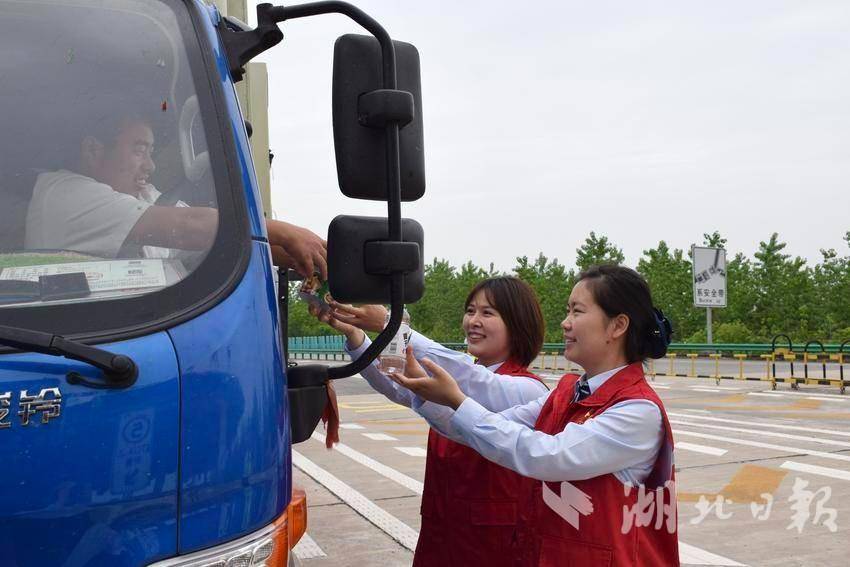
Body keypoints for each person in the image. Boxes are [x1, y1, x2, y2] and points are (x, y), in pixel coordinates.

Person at [389, 265, 678, 567]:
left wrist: (456, 400)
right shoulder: (567, 393)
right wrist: (437, 399)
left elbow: (546, 456)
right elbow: (482, 427)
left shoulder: (638, 410)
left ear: (617, 326)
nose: (565, 323)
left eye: (577, 311)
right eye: (567, 311)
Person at [314, 276, 549, 567]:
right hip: (442, 532)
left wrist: (391, 324)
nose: (473, 321)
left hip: (494, 543)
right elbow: (399, 386)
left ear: (517, 323)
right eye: (470, 311)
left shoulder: (528, 390)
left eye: (487, 313)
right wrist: (355, 334)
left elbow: (472, 379)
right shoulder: (463, 376)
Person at [24, 112, 326, 278]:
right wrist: (285, 231)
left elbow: (217, 233)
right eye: (139, 150)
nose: (150, 166)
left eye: (151, 152)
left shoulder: (140, 198)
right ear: (93, 150)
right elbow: (188, 226)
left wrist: (317, 259)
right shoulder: (64, 194)